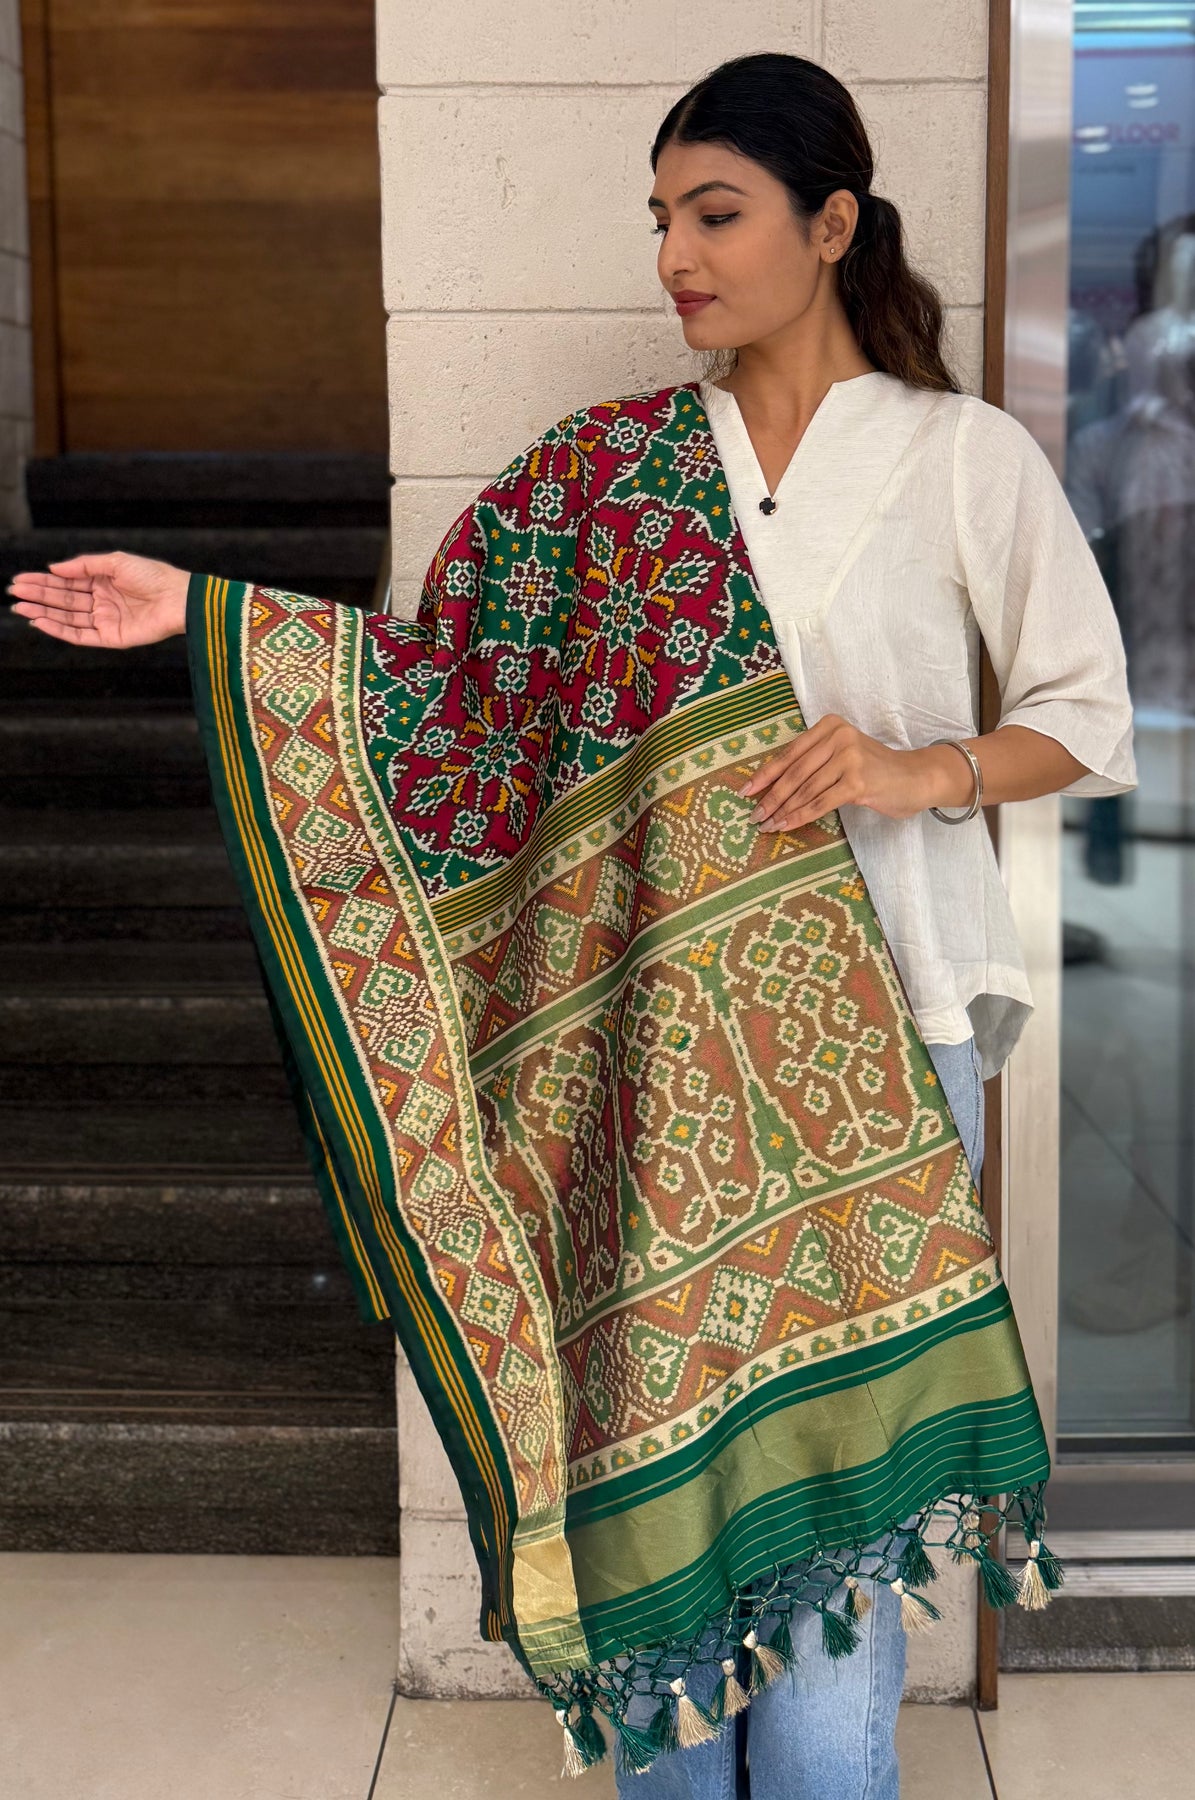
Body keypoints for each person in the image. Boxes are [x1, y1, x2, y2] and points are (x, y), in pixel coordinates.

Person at [9, 50, 1134, 1800]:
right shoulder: (608, 476)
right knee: (659, 1509)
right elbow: (444, 693)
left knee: (837, 1561)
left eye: (718, 213)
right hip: (644, 1067)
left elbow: (1088, 713)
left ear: (833, 224)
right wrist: (210, 613)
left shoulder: (961, 458)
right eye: (661, 218)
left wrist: (917, 770)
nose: (677, 255)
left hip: (896, 1050)